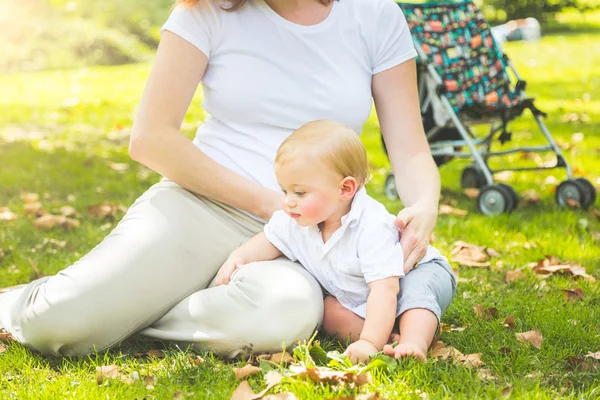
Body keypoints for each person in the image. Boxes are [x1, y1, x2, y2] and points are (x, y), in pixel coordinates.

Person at [0, 0, 456, 358]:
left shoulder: (376, 15)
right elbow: (150, 138)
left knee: (286, 315)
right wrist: (269, 205)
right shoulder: (205, 11)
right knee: (56, 323)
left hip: (312, 233)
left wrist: (424, 205)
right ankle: (37, 303)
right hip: (201, 206)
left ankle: (130, 307)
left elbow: (411, 147)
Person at [214, 120, 453, 363]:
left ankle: (412, 342)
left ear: (345, 189)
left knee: (415, 297)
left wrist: (369, 343)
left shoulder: (371, 226)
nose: (288, 201)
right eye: (284, 191)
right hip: (363, 295)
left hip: (415, 271)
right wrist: (239, 258)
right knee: (329, 312)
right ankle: (390, 338)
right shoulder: (297, 220)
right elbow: (270, 240)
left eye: (299, 192)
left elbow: (385, 290)